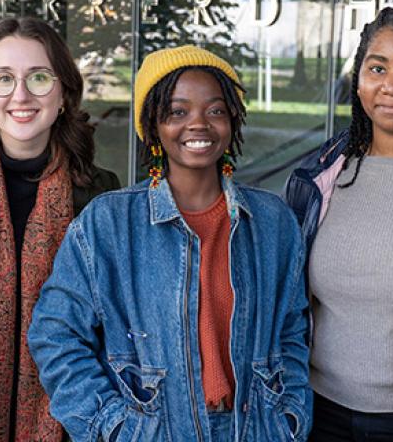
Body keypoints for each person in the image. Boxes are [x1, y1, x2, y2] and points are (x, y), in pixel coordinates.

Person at [28, 45, 312, 441]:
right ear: (153, 125)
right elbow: (55, 335)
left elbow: (291, 330)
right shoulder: (109, 224)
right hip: (154, 431)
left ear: (232, 120)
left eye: (215, 110)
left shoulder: (272, 222)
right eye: (178, 112)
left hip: (255, 429)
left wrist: (289, 417)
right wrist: (114, 427)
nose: (199, 123)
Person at [284, 4, 393, 442]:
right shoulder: (317, 177)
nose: (392, 86)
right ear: (359, 79)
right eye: (377, 68)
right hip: (318, 413)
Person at [0, 17, 120, 442]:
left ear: (63, 93)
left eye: (39, 78)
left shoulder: (100, 193)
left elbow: (109, 324)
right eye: (3, 78)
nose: (20, 95)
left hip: (67, 417)